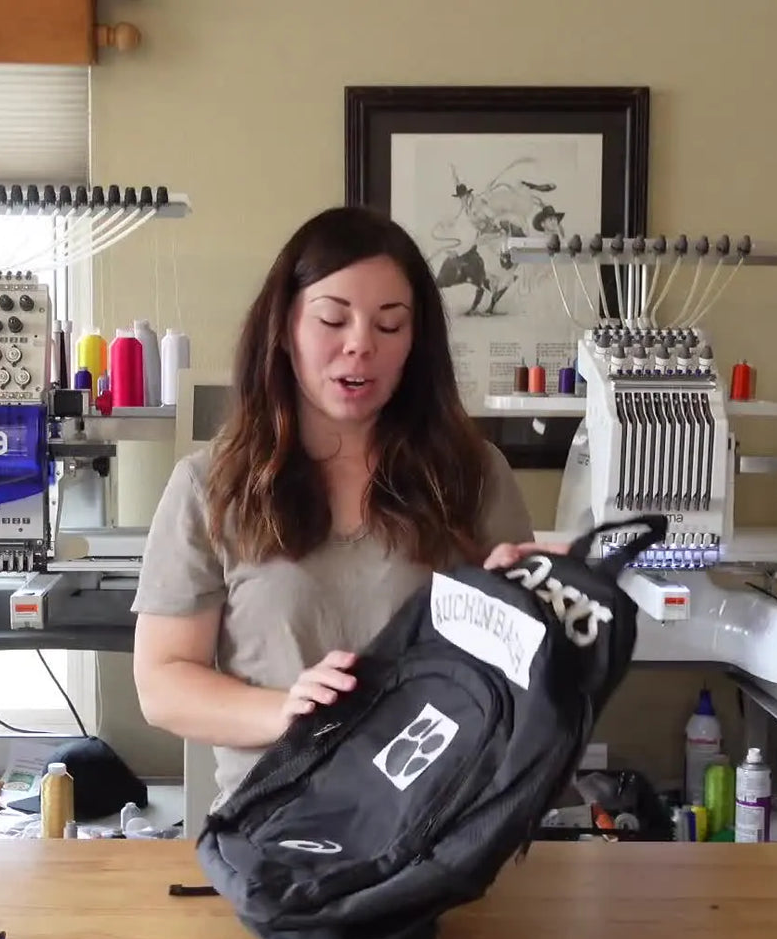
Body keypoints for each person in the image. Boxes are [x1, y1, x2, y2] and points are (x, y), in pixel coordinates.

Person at [129, 205, 551, 809]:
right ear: (284, 327)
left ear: (415, 344)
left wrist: (547, 599)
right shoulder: (211, 485)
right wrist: (288, 710)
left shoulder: (473, 475)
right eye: (333, 319)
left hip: (435, 828)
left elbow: (520, 673)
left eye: (390, 325)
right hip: (273, 837)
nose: (360, 346)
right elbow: (163, 683)